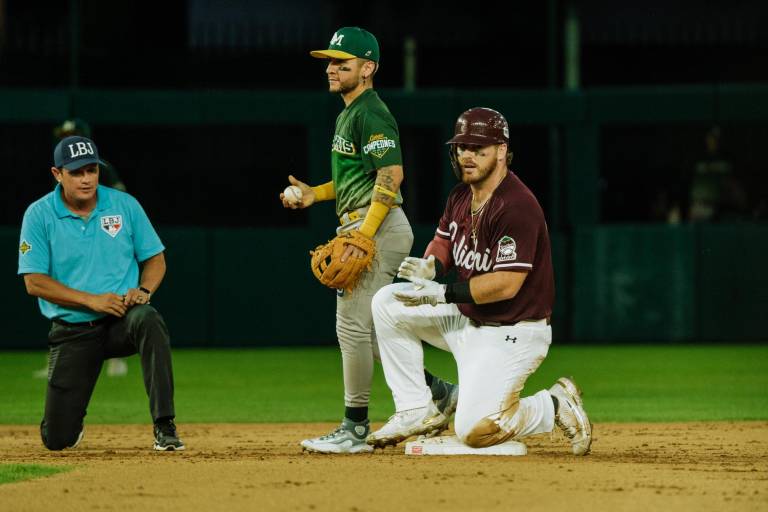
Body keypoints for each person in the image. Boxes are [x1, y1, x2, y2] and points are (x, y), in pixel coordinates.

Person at [366, 107, 592, 455]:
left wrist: (441, 292)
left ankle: (553, 406)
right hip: (467, 318)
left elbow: (506, 285)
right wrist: (431, 265)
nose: (466, 155)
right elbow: (444, 240)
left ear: (502, 150)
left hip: (512, 331)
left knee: (473, 431)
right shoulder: (460, 195)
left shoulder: (516, 205)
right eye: (461, 147)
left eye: (477, 148)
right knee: (387, 303)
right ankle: (418, 406)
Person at [280, 27, 457, 454]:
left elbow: (390, 176)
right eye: (330, 61)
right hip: (369, 226)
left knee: (351, 327)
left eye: (343, 62)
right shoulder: (350, 112)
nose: (332, 68)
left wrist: (363, 234)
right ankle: (439, 393)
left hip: (376, 229)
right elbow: (353, 181)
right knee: (375, 329)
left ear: (368, 68)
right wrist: (313, 194)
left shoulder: (370, 112)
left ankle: (354, 427)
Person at [18, 135, 184, 451]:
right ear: (57, 174)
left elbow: (155, 258)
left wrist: (144, 290)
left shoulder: (124, 205)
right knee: (57, 440)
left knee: (148, 319)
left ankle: (165, 426)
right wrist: (91, 300)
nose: (86, 179)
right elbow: (34, 282)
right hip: (73, 330)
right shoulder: (39, 215)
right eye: (77, 172)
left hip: (122, 319)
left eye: (91, 170)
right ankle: (66, 421)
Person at [31, 118, 129, 379]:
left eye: (72, 133)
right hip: (69, 237)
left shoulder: (99, 169)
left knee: (109, 297)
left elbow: (119, 196)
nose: (67, 136)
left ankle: (116, 357)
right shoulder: (60, 167)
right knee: (59, 298)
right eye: (65, 133)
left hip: (100, 237)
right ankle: (56, 358)